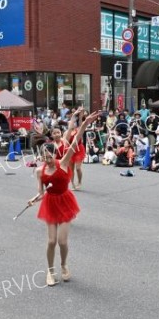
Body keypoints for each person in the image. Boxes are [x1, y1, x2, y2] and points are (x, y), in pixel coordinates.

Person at [29, 111, 99, 286]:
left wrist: (84, 124)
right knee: (51, 241)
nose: (47, 160)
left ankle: (64, 264)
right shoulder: (39, 171)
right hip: (50, 203)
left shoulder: (64, 162)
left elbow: (75, 140)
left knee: (62, 241)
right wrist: (34, 199)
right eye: (44, 157)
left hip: (65, 201)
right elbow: (41, 192)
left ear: (55, 155)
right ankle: (50, 271)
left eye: (50, 157)